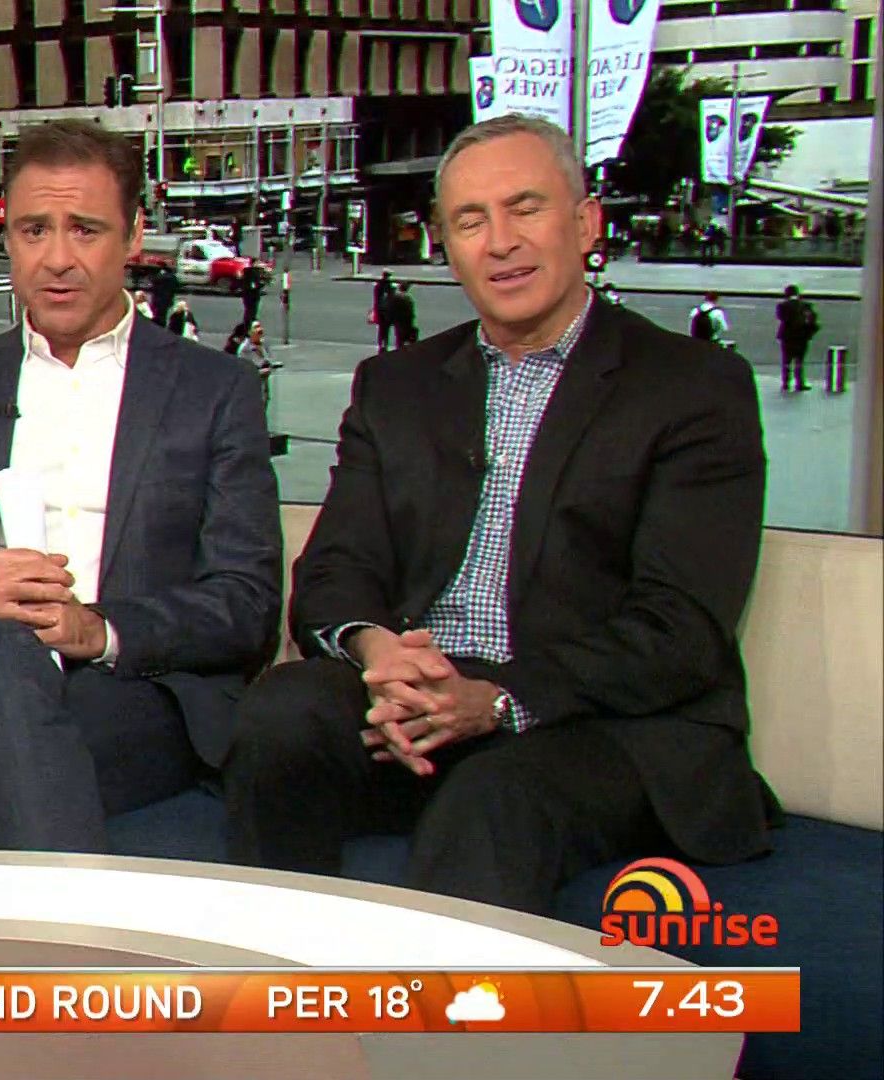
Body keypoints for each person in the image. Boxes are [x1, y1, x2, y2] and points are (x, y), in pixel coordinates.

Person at [222, 114, 777, 914]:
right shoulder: (398, 386)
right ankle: (280, 976)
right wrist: (380, 653)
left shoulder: (692, 388)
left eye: (525, 208)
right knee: (281, 715)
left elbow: (681, 628)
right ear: (448, 246)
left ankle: (444, 1003)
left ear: (586, 223)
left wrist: (495, 698)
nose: (501, 242)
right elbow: (337, 569)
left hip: (599, 720)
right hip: (425, 697)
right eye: (471, 221)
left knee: (494, 797)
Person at [0, 119, 283, 853]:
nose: (57, 259)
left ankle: (4, 929)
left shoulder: (215, 390)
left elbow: (247, 601)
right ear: (8, 240)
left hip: (135, 688)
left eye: (85, 230)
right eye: (33, 231)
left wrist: (98, 629)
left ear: (133, 235)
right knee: (3, 656)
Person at [775, 284, 817, 392]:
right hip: (801, 336)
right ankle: (799, 383)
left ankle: (785, 383)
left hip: (787, 337)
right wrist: (809, 333)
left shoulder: (782, 306)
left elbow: (780, 317)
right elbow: (813, 319)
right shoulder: (805, 305)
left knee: (786, 360)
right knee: (799, 361)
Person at [147, 263, 180, 327]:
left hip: (158, 297)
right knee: (164, 312)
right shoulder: (173, 278)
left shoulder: (160, 277)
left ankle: (157, 323)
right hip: (168, 298)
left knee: (157, 312)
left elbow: (153, 285)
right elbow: (177, 287)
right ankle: (162, 323)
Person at [372, 270, 397, 351]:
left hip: (380, 310)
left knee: (381, 329)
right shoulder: (389, 286)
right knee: (386, 329)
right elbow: (391, 297)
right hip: (386, 311)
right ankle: (385, 344)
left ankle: (381, 344)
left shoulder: (378, 286)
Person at [239, 261, 266, 335]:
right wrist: (261, 285)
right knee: (252, 314)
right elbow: (253, 286)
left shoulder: (246, 273)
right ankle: (251, 330)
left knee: (248, 312)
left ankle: (249, 329)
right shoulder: (253, 274)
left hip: (247, 296)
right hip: (253, 296)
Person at [391, 281, 419, 346]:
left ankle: (399, 349)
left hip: (399, 319)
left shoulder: (396, 296)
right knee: (407, 336)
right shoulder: (407, 297)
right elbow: (410, 310)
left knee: (399, 337)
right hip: (406, 320)